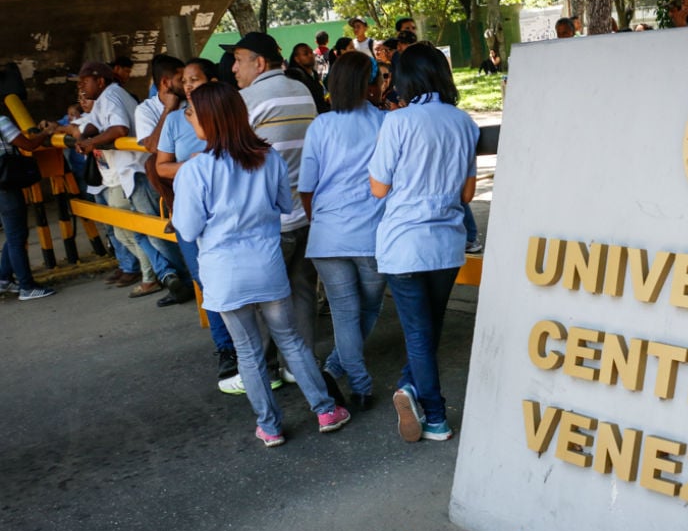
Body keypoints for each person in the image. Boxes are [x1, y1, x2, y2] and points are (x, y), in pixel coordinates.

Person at [173, 82, 350, 447]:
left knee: (248, 352)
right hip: (267, 266)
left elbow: (187, 229)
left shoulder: (194, 170)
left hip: (224, 273)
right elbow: (285, 205)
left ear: (209, 119)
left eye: (192, 113)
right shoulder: (268, 158)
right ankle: (325, 410)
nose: (189, 119)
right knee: (292, 340)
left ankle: (270, 427)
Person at [368, 42, 479, 442]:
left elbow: (378, 188)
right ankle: (408, 388)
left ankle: (435, 416)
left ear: (406, 79)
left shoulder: (397, 122)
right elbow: (467, 194)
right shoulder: (464, 122)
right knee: (430, 328)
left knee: (418, 333)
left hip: (403, 244)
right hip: (447, 244)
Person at [222, 32, 319, 391]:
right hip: (304, 213)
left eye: (238, 60)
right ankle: (300, 365)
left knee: (263, 297)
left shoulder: (246, 100)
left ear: (259, 63)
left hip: (266, 219)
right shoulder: (303, 91)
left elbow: (229, 159)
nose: (234, 68)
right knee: (303, 291)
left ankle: (265, 370)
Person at [299, 51, 387, 412]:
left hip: (328, 237)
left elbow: (306, 187)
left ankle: (341, 370)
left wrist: (319, 222)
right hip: (372, 236)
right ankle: (357, 382)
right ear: (370, 84)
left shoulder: (320, 126)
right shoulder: (385, 123)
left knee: (345, 313)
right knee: (369, 307)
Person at [155, 57, 240, 383]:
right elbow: (161, 166)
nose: (189, 86)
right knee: (207, 282)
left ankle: (258, 349)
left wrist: (205, 165)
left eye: (195, 79)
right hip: (190, 210)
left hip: (229, 211)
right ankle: (227, 348)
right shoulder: (176, 120)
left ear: (212, 83)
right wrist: (195, 167)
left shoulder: (230, 114)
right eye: (185, 80)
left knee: (238, 280)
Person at [75, 61, 168, 299]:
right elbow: (94, 123)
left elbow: (119, 129)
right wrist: (86, 135)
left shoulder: (111, 95)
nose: (81, 87)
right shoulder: (105, 97)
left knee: (147, 231)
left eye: (85, 82)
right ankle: (165, 274)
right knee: (137, 232)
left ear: (100, 81)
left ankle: (163, 276)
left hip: (135, 171)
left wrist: (91, 142)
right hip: (128, 173)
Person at [132, 54, 194, 307]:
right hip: (172, 178)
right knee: (152, 163)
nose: (186, 84)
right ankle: (186, 280)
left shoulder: (193, 100)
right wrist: (169, 109)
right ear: (166, 83)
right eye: (181, 79)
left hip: (196, 173)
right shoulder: (146, 109)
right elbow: (152, 147)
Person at [0, 115, 58, 301]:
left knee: (14, 233)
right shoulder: (1, 121)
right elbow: (28, 145)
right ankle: (27, 287)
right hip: (6, 185)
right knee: (17, 237)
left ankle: (3, 278)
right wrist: (46, 132)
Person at [287, 43, 329, 114]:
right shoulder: (295, 76)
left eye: (311, 52)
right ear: (297, 59)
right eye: (305, 54)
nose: (310, 55)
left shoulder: (314, 74)